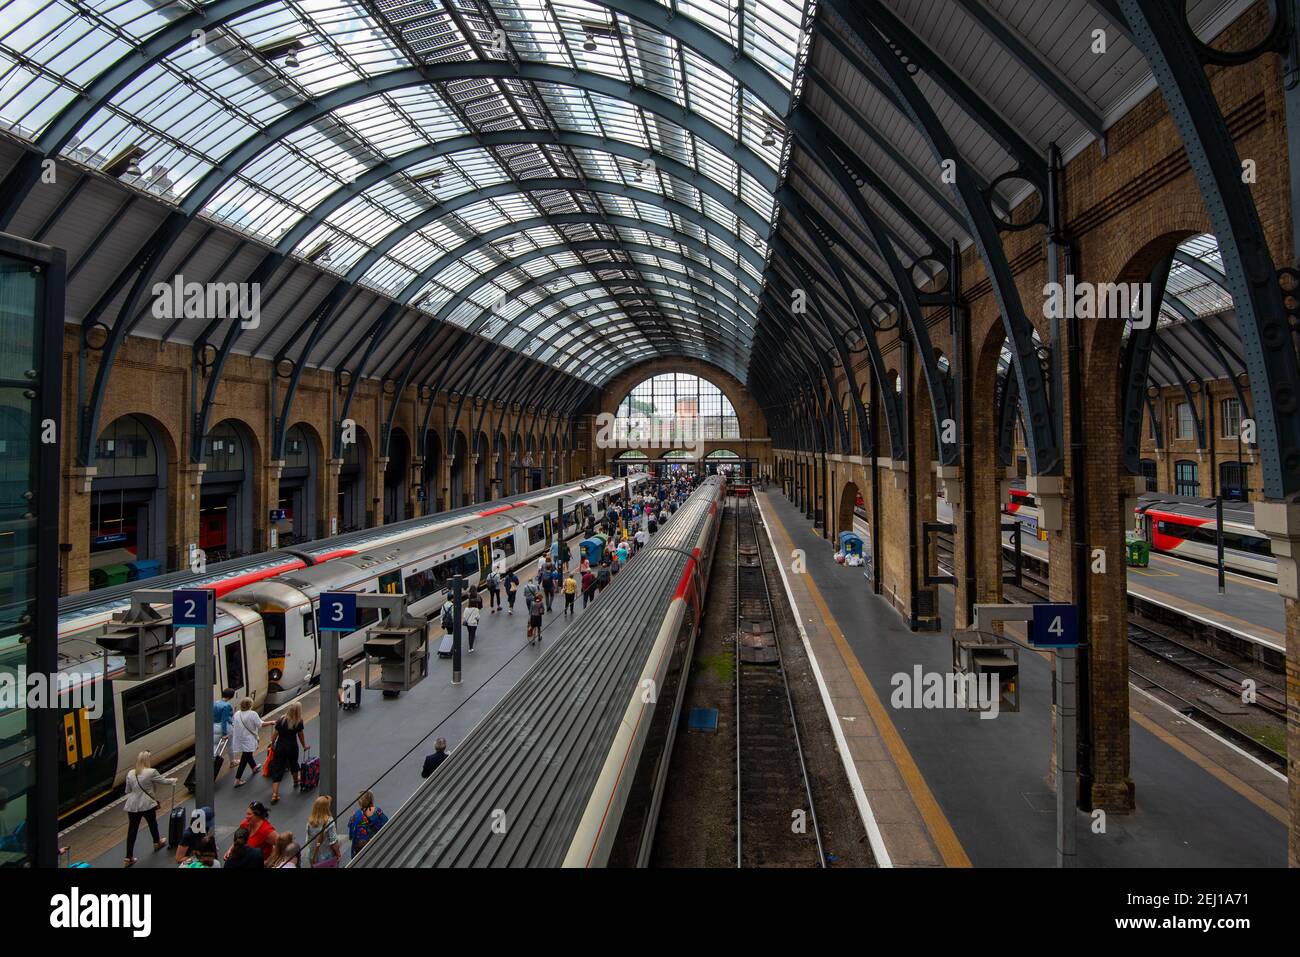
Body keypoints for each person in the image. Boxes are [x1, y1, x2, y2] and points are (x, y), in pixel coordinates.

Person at [122, 750, 175, 867]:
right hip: (146, 804)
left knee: (132, 831)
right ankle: (157, 842)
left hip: (132, 805)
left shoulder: (131, 773)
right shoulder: (151, 772)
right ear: (147, 760)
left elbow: (127, 790)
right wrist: (173, 781)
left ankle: (128, 857)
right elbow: (163, 781)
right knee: (152, 823)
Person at [265, 700, 307, 805]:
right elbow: (300, 735)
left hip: (280, 747)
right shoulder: (298, 721)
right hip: (292, 747)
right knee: (294, 764)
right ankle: (296, 781)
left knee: (278, 769)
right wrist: (304, 746)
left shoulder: (281, 720)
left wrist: (273, 743)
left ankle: (275, 794)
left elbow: (274, 735)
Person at [230, 696, 263, 787]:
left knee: (247, 753)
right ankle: (237, 779)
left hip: (240, 738)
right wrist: (272, 722)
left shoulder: (237, 713)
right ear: (250, 705)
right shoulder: (252, 714)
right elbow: (260, 724)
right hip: (248, 738)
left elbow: (234, 724)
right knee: (245, 757)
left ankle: (254, 767)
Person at [347, 791, 388, 860]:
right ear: (371, 799)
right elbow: (386, 823)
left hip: (360, 850)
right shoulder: (378, 811)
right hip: (377, 845)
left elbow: (351, 834)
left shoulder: (355, 816)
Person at [305, 795, 341, 868]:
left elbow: (307, 840)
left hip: (313, 856)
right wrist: (338, 853)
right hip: (326, 856)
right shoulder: (329, 821)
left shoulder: (310, 822)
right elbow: (333, 841)